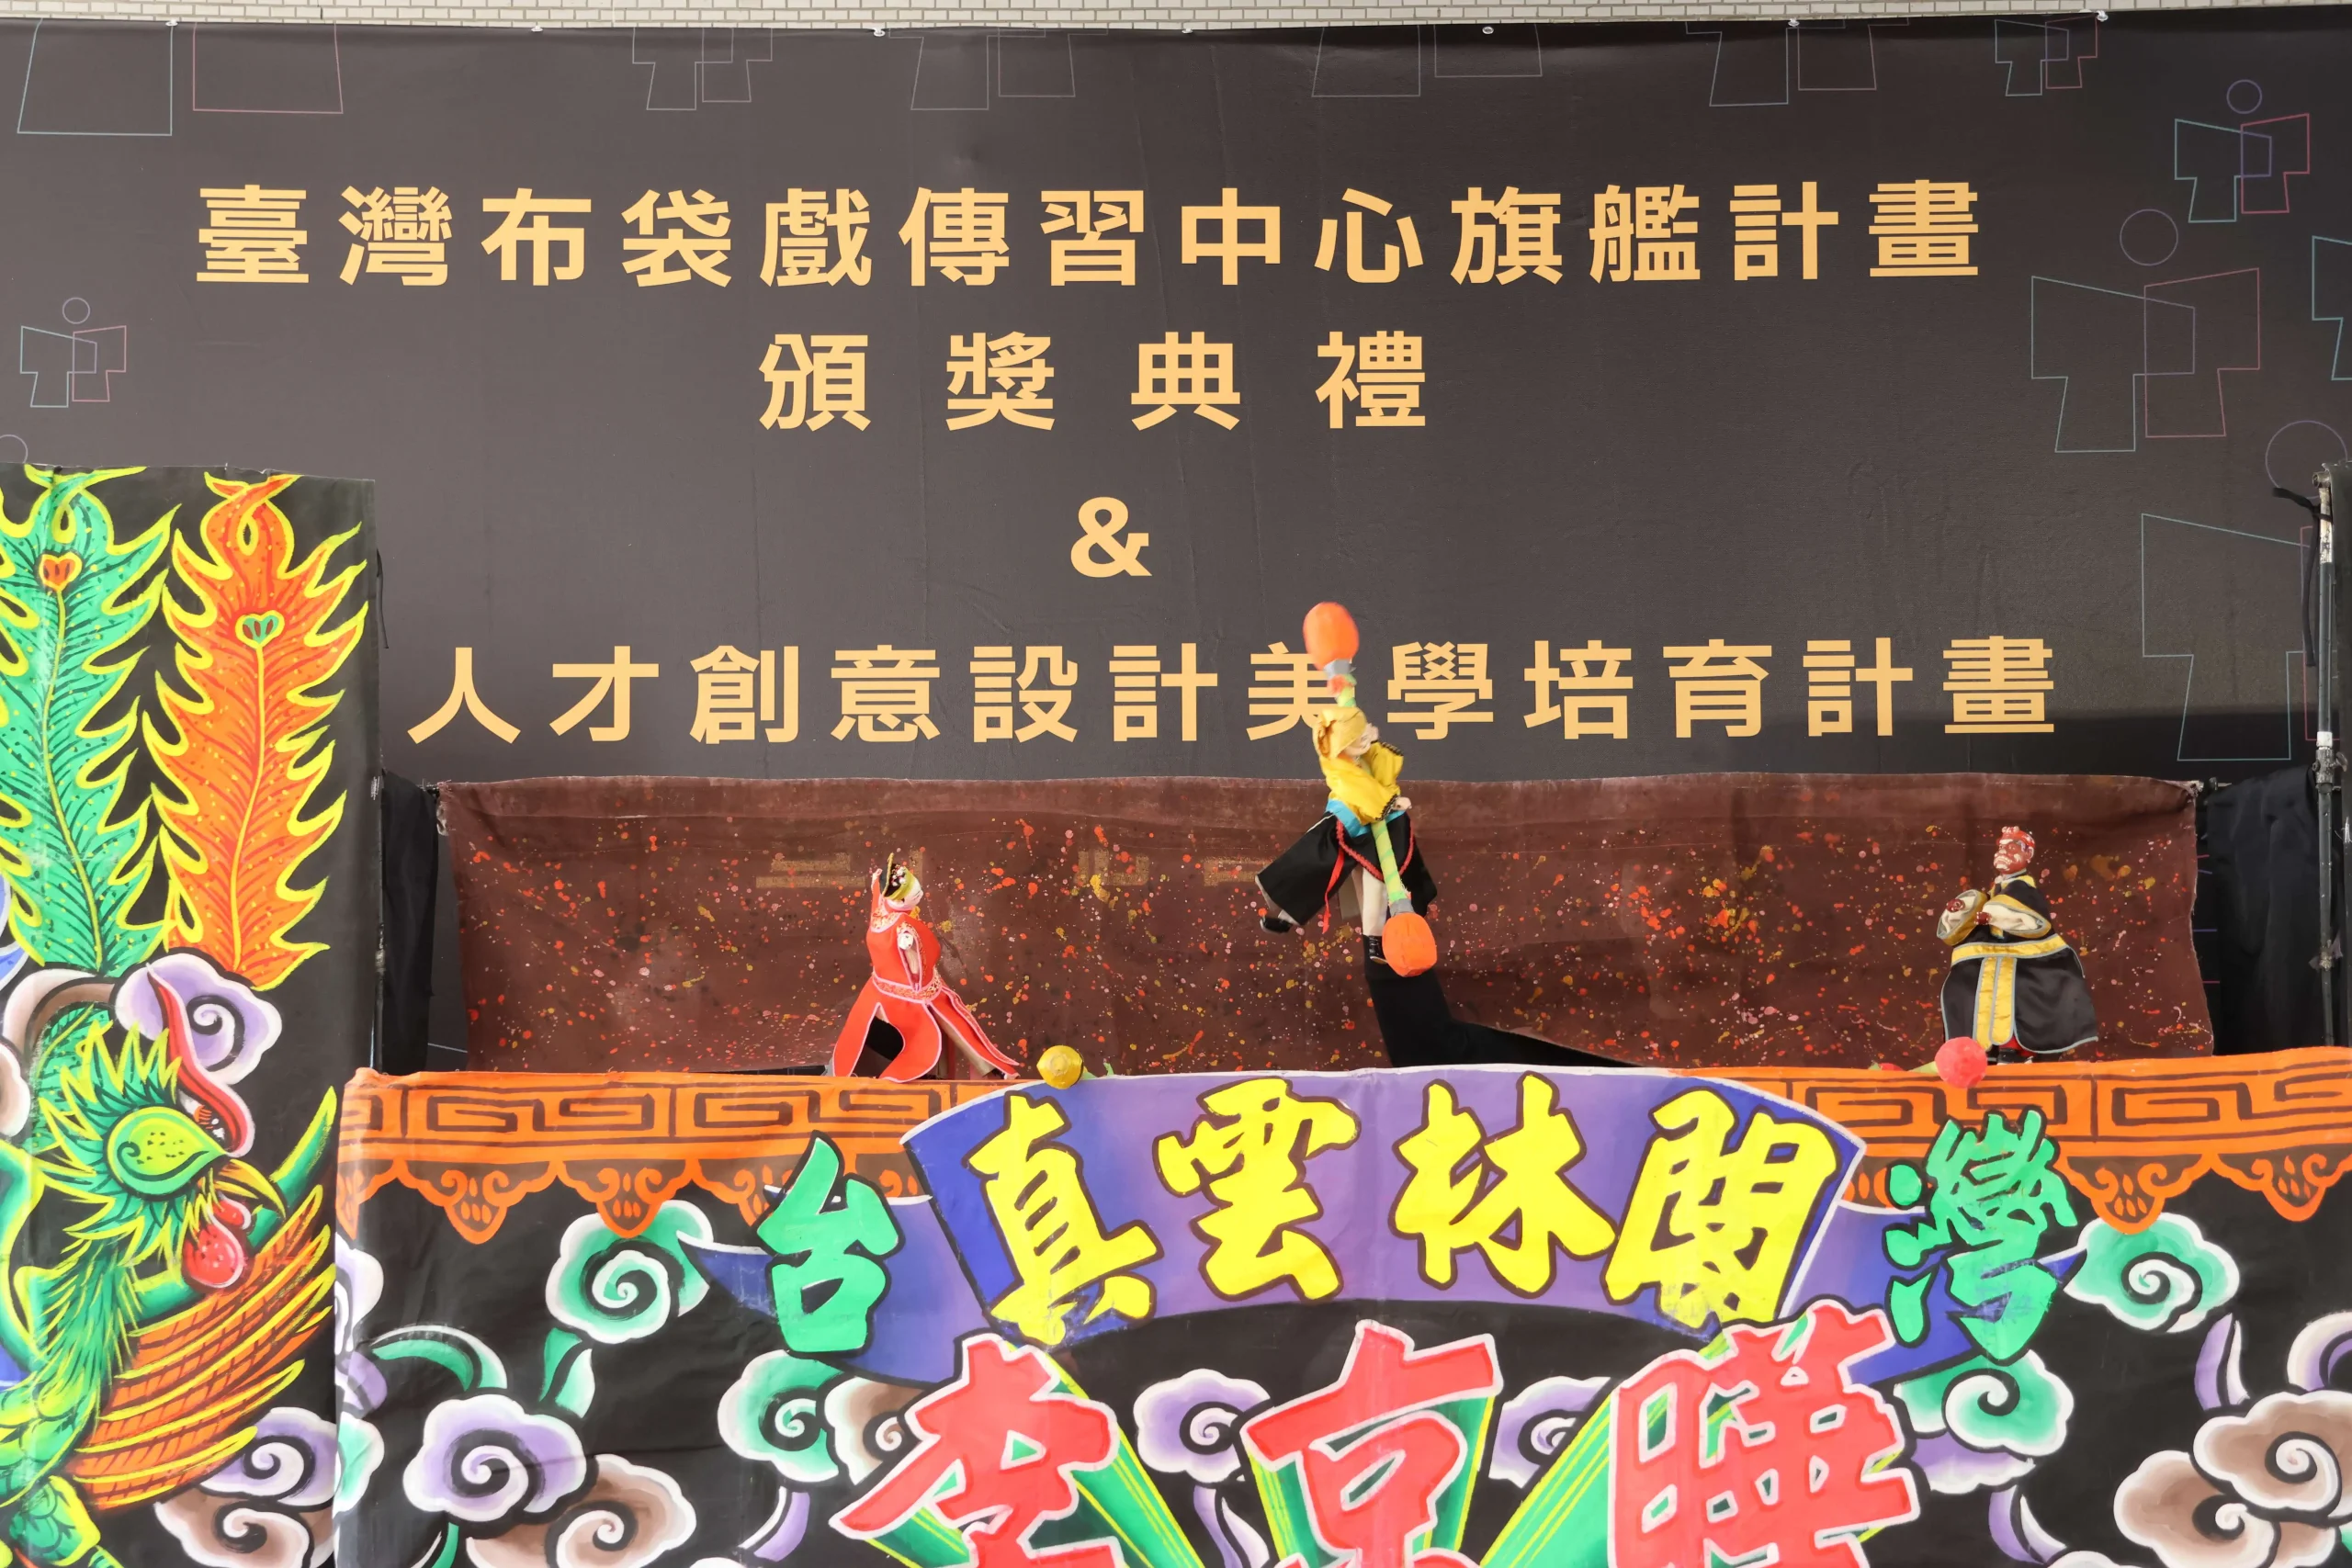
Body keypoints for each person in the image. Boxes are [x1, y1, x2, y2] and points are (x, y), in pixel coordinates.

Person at [1254, 682, 1435, 967]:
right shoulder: (1339, 770)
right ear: (1339, 746)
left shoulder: (1363, 755)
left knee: (1377, 886)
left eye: (1363, 734)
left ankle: (1376, 943)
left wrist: (1372, 744)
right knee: (1316, 872)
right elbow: (1362, 791)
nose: (1363, 741)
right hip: (1351, 825)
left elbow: (1383, 772)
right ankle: (1285, 916)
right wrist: (1390, 802)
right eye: (1356, 739)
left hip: (1381, 826)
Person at [830, 853, 1022, 1080]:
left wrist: (876, 881)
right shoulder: (903, 927)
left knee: (953, 1023)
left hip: (883, 986)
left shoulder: (881, 910)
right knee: (953, 1023)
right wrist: (913, 953)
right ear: (900, 900)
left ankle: (986, 1069)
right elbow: (916, 967)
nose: (920, 895)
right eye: (916, 894)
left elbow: (877, 895)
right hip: (912, 994)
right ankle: (987, 1069)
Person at [1936, 825, 2098, 1062]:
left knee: (2014, 988)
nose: (2004, 851)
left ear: (2027, 854)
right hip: (1990, 958)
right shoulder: (1991, 892)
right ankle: (1981, 1050)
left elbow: (2031, 922)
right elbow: (1968, 924)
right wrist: (1959, 911)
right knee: (1964, 985)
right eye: (2001, 847)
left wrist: (1993, 917)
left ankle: (2012, 1049)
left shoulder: (2025, 891)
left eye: (2012, 847)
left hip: (2029, 960)